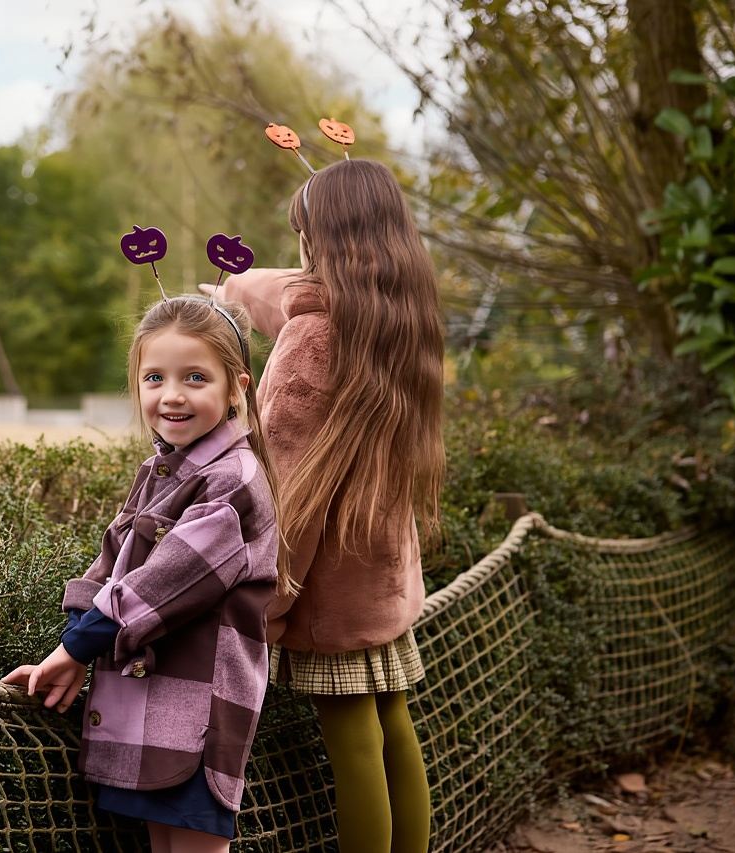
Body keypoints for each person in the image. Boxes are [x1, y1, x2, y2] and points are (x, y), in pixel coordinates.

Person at [201, 158, 443, 853]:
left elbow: (290, 491)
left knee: (355, 745)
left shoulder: (313, 341)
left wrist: (268, 598)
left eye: (302, 234)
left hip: (327, 588)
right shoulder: (395, 321)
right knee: (394, 726)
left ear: (321, 241)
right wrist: (237, 287)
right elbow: (289, 292)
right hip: (383, 578)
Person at [3, 295, 292, 852]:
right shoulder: (160, 468)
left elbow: (163, 583)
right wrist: (73, 636)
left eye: (195, 378)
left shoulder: (230, 480)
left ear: (237, 387)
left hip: (197, 710)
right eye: (154, 377)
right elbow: (114, 558)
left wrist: (77, 649)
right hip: (147, 705)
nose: (172, 395)